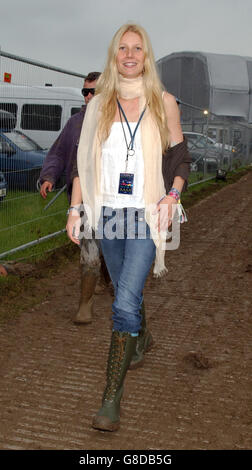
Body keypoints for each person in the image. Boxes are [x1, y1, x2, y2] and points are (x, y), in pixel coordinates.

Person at [66, 24, 191, 432]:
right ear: (114, 55)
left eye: (138, 48)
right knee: (125, 292)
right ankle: (144, 335)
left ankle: (109, 402)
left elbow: (180, 158)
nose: (130, 54)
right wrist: (75, 210)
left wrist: (172, 195)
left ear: (147, 54)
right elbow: (83, 162)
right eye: (123, 48)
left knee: (121, 307)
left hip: (144, 216)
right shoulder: (99, 105)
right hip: (106, 216)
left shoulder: (163, 102)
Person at [39, 71, 111, 325]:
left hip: (115, 203)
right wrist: (49, 176)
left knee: (110, 251)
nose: (89, 97)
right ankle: (85, 305)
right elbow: (58, 153)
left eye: (94, 91)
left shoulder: (118, 122)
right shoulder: (75, 124)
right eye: (85, 92)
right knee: (90, 252)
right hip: (84, 202)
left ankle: (109, 280)